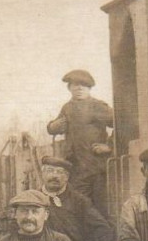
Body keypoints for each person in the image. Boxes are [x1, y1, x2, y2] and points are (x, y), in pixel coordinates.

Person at [47, 69, 115, 215]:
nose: (79, 88)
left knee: (100, 210)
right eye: (75, 85)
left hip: (97, 169)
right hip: (76, 169)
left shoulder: (97, 106)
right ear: (69, 88)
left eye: (83, 86)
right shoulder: (67, 108)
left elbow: (122, 122)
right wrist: (52, 126)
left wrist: (110, 146)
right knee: (77, 209)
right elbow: (55, 126)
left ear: (89, 88)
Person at [38, 154, 114, 241]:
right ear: (42, 174)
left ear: (67, 177)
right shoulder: (32, 200)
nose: (54, 176)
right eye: (50, 171)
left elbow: (103, 230)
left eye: (60, 172)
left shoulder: (80, 201)